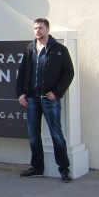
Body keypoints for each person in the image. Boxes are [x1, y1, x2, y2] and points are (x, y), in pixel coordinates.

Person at [16, 17, 75, 183]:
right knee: (33, 136)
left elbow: (68, 72)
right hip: (32, 100)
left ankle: (64, 169)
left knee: (57, 135)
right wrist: (20, 93)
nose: (38, 31)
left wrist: (57, 92)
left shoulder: (59, 50)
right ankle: (37, 168)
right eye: (35, 28)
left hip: (49, 100)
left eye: (41, 28)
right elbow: (22, 72)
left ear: (48, 30)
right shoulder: (29, 49)